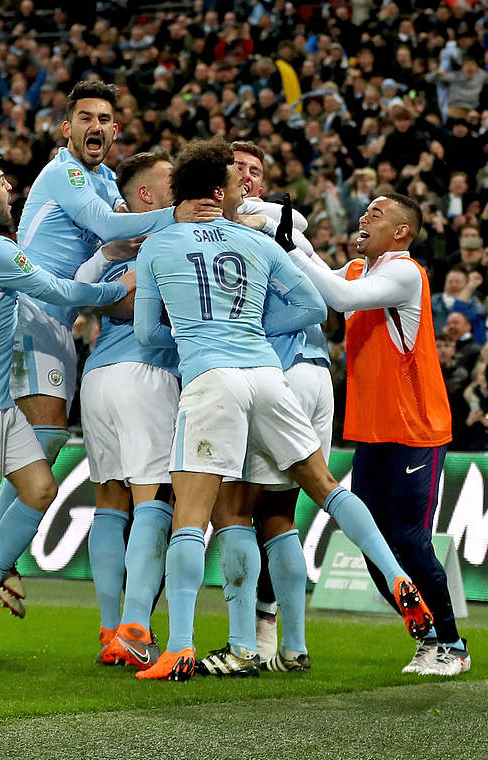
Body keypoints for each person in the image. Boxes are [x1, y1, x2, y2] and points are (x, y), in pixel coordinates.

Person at [130, 138, 433, 681]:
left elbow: (148, 333)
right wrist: (250, 331)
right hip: (272, 375)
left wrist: (199, 334)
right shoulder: (260, 240)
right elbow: (317, 307)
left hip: (212, 378)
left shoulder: (158, 245)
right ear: (223, 191)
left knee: (197, 517)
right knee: (325, 488)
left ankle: (179, 647)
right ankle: (393, 574)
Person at [0, 81, 218, 610]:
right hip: (32, 310)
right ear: (67, 128)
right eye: (85, 117)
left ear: (115, 131)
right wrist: (175, 214)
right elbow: (108, 225)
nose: (96, 126)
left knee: (46, 448)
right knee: (42, 444)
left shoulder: (107, 177)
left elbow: (125, 222)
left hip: (65, 322)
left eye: (105, 119)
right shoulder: (64, 172)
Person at [0, 152, 132, 667]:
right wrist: (116, 287)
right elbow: (56, 290)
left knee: (39, 488)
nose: (11, 186)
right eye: (0, 180)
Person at [284, 192, 471, 676]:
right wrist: (276, 224)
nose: (363, 217)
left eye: (376, 214)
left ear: (402, 232)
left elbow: (338, 296)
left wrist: (284, 241)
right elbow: (310, 261)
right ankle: (426, 637)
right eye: (364, 210)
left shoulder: (406, 272)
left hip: (416, 429)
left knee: (410, 540)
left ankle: (453, 645)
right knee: (373, 546)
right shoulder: (353, 269)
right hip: (371, 431)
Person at [190, 140, 337, 676]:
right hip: (316, 373)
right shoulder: (289, 232)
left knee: (232, 510)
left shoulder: (254, 229)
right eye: (238, 170)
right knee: (281, 515)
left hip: (276, 375)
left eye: (254, 170)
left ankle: (242, 646)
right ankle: (291, 643)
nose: (247, 178)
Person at [71, 150, 182, 665]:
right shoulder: (161, 239)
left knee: (111, 504)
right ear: (144, 195)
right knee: (153, 498)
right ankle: (136, 629)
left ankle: (109, 630)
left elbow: (96, 299)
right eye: (168, 181)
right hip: (147, 373)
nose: (176, 186)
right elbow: (124, 302)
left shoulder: (116, 249)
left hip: (96, 378)